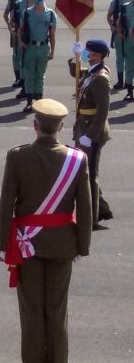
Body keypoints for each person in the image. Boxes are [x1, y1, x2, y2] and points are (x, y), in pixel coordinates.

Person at [0, 98, 91, 363]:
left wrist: (4, 244)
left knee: (32, 310)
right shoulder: (78, 160)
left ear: (35, 125)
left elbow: (6, 205)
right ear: (61, 127)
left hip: (27, 244)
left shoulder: (18, 157)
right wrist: (82, 244)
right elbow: (86, 208)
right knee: (57, 309)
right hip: (63, 244)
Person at [69, 40, 113, 227]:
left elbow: (103, 110)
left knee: (90, 174)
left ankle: (92, 219)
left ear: (98, 55)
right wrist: (76, 57)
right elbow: (75, 73)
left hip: (92, 131)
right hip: (83, 128)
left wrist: (91, 136)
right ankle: (102, 209)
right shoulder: (92, 72)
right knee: (85, 171)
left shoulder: (101, 77)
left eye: (88, 51)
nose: (86, 53)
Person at [19, 0, 57, 113]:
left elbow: (52, 34)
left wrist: (52, 51)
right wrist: (21, 41)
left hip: (43, 47)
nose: (38, 0)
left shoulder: (51, 14)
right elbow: (21, 29)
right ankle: (29, 102)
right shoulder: (27, 13)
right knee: (29, 74)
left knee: (40, 75)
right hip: (30, 47)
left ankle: (38, 101)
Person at [3, 0, 28, 89]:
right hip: (15, 30)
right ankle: (18, 76)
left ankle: (24, 78)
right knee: (16, 55)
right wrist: (9, 26)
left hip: (26, 32)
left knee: (25, 56)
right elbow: (5, 14)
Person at [106, 0, 131, 91]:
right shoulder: (116, 2)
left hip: (131, 36)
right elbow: (109, 16)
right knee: (120, 58)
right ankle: (120, 81)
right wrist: (112, 26)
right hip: (118, 34)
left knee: (130, 59)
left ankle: (129, 82)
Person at [117, 0, 134, 98]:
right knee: (129, 66)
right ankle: (129, 90)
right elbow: (118, 22)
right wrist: (119, 32)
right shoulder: (125, 7)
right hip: (128, 40)